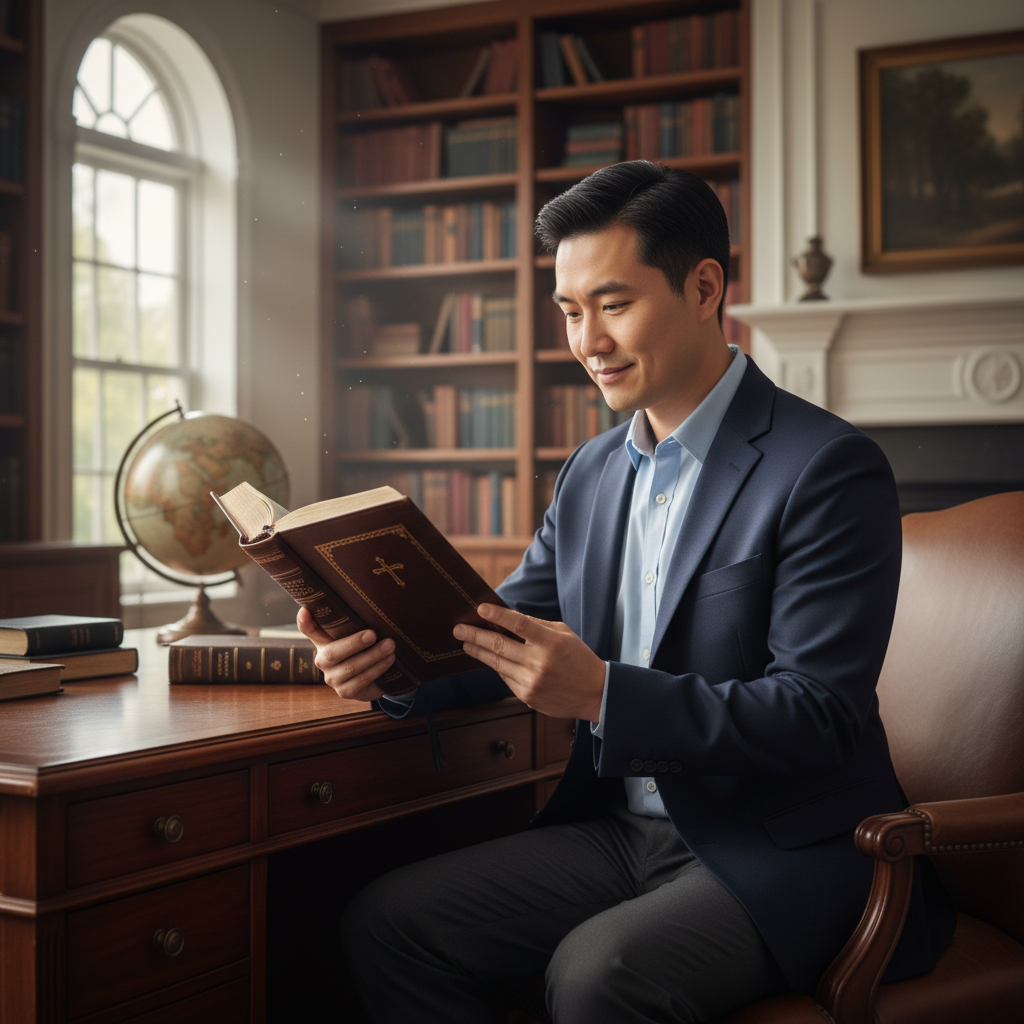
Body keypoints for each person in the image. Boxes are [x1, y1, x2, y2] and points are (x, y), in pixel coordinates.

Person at [298, 161, 955, 1024]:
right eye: (571, 312)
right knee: (390, 924)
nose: (588, 342)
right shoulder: (591, 472)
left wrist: (604, 695)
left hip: (787, 846)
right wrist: (388, 665)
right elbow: (498, 631)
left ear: (705, 288)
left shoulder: (827, 468)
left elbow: (818, 715)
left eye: (613, 305)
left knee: (597, 974)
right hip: (623, 831)